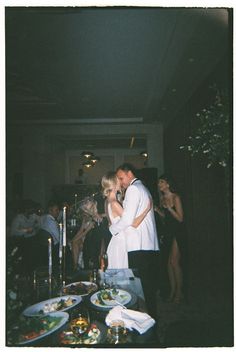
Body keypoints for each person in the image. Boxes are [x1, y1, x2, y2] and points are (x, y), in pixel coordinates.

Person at [109, 163, 159, 319]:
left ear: (129, 173)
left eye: (121, 177)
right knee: (147, 287)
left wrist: (111, 230)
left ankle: (146, 322)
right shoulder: (142, 187)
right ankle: (149, 319)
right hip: (146, 244)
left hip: (138, 244)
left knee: (140, 289)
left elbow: (127, 220)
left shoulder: (133, 189)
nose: (120, 181)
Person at [101, 171, 152, 269]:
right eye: (118, 180)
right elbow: (132, 223)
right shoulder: (114, 203)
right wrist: (146, 210)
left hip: (117, 240)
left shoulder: (108, 202)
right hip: (120, 242)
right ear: (114, 183)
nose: (121, 182)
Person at [154, 174, 187, 304]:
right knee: (169, 264)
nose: (159, 184)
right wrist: (158, 210)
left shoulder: (175, 197)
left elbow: (180, 218)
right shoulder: (162, 198)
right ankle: (173, 291)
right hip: (168, 232)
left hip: (178, 232)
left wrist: (169, 208)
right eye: (158, 182)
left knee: (174, 262)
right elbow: (166, 218)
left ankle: (180, 293)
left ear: (168, 184)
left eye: (161, 182)